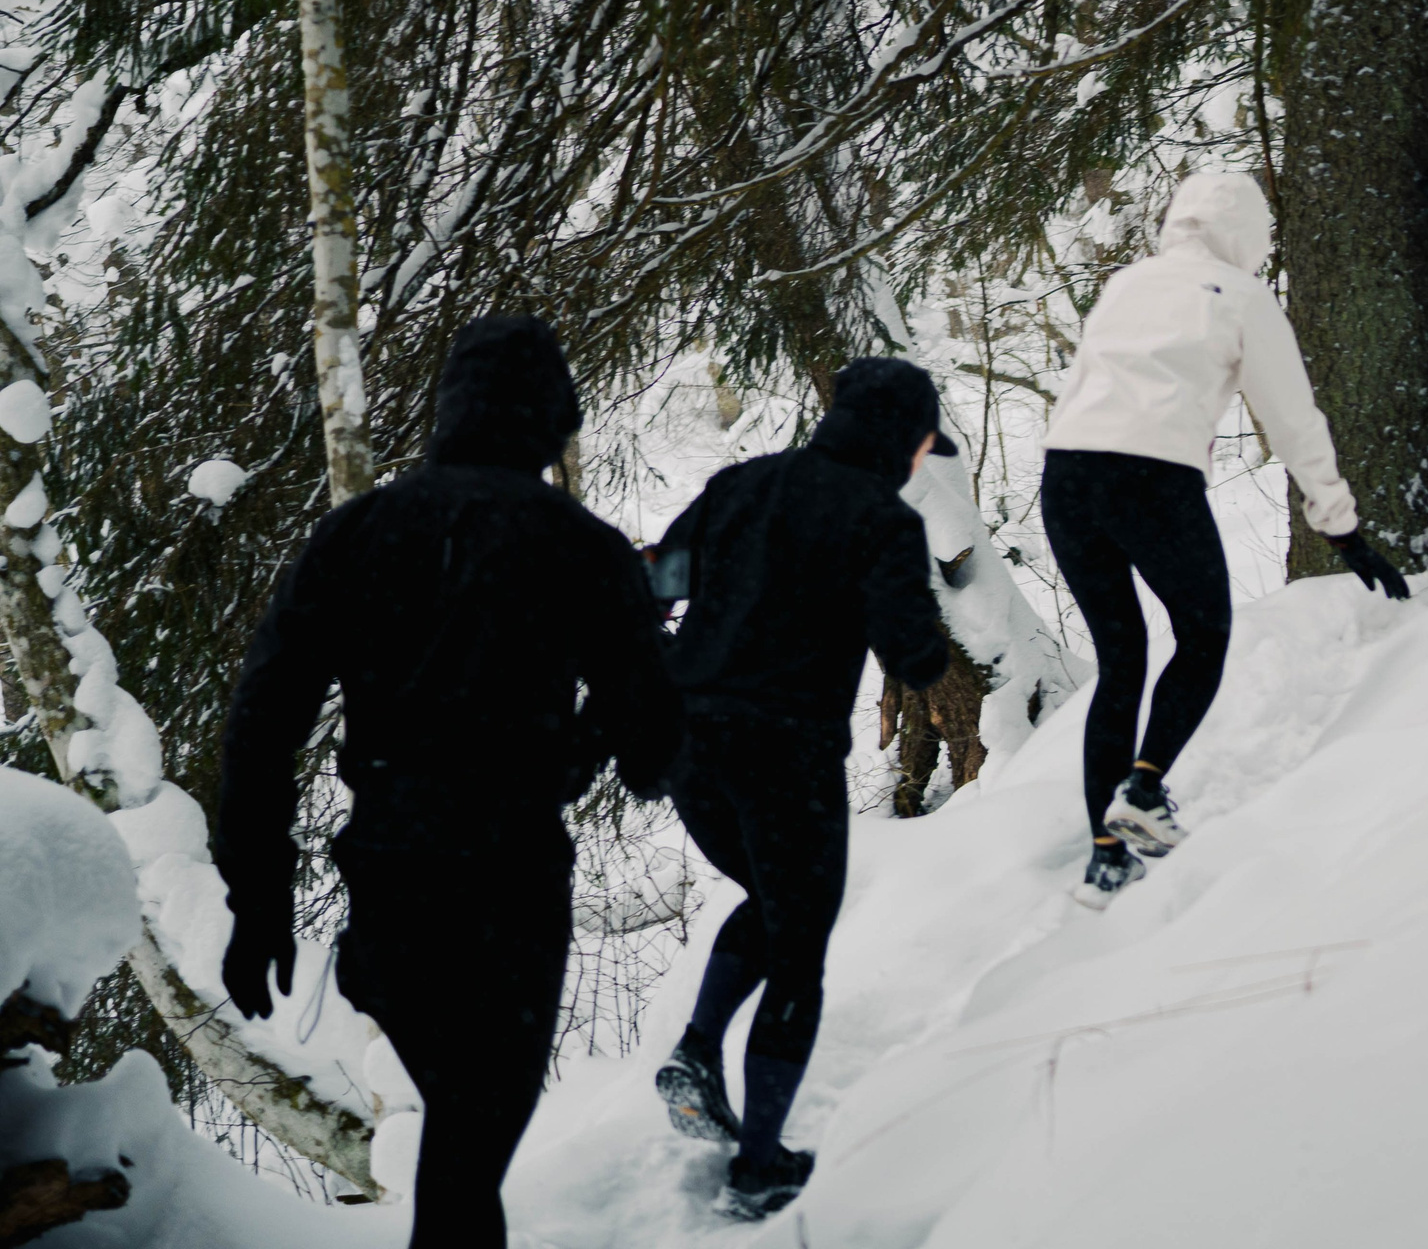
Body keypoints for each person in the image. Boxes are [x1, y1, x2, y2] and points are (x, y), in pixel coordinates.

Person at [215, 316, 681, 1249]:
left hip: (391, 883)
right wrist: (605, 715)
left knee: (462, 1157)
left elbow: (261, 724)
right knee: (469, 1159)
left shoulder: (355, 533)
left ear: (448, 412)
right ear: (556, 419)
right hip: (511, 886)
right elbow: (653, 752)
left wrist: (259, 899)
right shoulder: (581, 546)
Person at [1041, 171, 1410, 910]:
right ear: (1249, 234)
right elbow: (1294, 419)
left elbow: (1085, 384)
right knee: (1204, 633)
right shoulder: (1242, 296)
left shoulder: (1127, 283)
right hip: (1153, 477)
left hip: (1067, 475)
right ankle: (1144, 789)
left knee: (1121, 663)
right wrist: (1341, 529)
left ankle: (1107, 861)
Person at [646, 356, 952, 1221]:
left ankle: (698, 1051)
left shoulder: (740, 484)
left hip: (688, 742)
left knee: (773, 904)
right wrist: (921, 618)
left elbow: (657, 581)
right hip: (784, 757)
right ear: (902, 438)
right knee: (800, 945)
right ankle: (757, 1167)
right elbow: (914, 657)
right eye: (924, 446)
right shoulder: (883, 519)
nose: (922, 463)